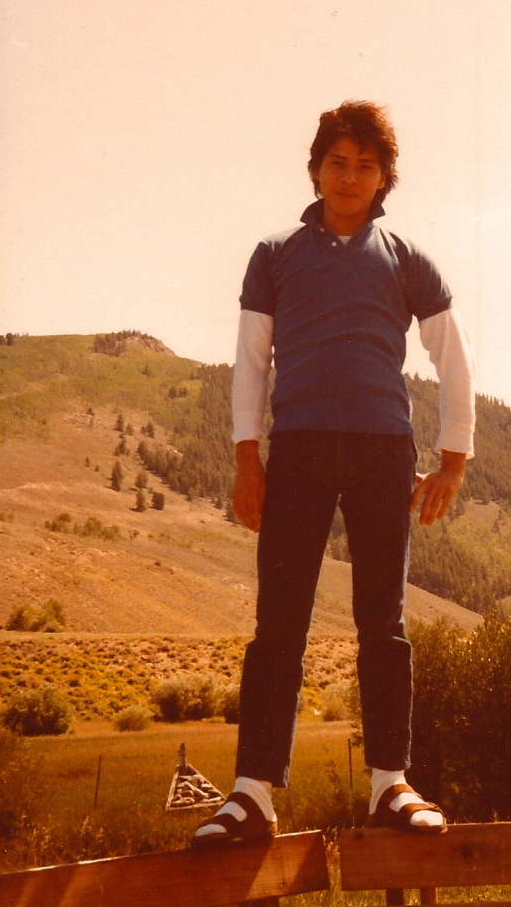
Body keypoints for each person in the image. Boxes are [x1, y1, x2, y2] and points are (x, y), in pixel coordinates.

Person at [192, 101, 475, 847]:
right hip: (300, 452)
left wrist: (453, 457)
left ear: (385, 178)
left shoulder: (407, 256)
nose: (350, 176)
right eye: (337, 161)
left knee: (383, 620)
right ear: (315, 166)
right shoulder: (275, 251)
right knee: (277, 620)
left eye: (367, 165)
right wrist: (247, 456)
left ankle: (391, 782)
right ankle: (252, 791)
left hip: (384, 452)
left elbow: (452, 357)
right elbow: (252, 360)